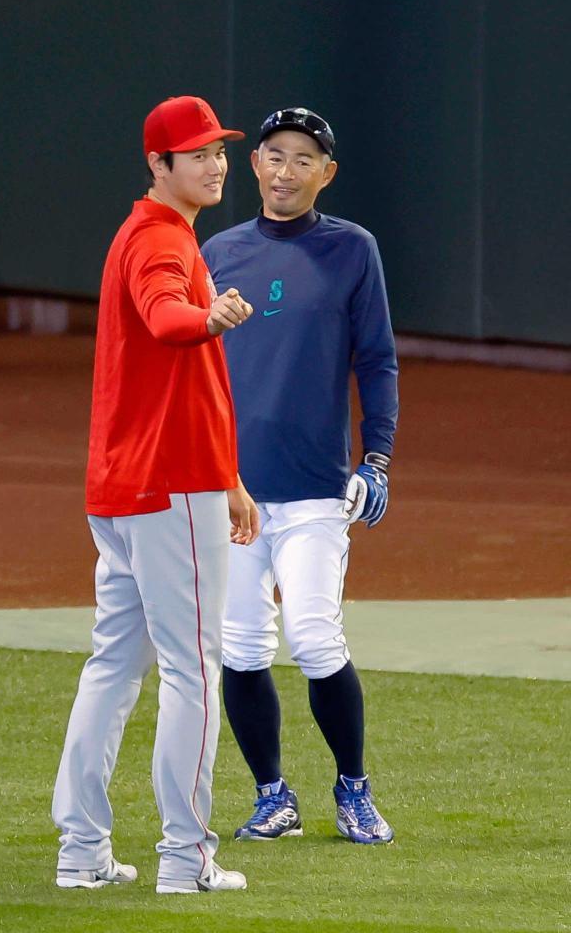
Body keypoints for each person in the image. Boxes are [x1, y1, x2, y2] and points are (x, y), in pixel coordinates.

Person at [52, 95, 260, 895]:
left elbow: (179, 373)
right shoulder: (158, 241)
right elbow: (168, 317)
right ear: (158, 164)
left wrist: (231, 479)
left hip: (129, 486)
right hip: (170, 489)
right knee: (194, 670)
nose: (213, 163)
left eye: (218, 150)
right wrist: (208, 316)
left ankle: (82, 852)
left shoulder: (154, 234)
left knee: (114, 667)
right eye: (196, 152)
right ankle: (186, 858)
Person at [201, 107, 399, 844]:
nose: (286, 171)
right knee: (245, 645)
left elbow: (376, 360)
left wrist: (376, 458)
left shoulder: (353, 250)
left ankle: (353, 788)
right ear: (254, 163)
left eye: (303, 159)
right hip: (231, 489)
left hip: (317, 486)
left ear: (327, 173)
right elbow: (193, 368)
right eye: (275, 156)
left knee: (316, 637)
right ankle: (271, 796)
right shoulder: (215, 250)